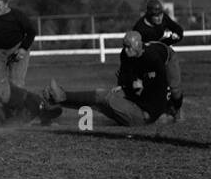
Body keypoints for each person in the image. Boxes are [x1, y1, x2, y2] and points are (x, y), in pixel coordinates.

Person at [42, 33, 172, 127]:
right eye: (124, 46)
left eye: (128, 47)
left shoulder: (152, 60)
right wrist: (125, 86)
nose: (125, 51)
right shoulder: (128, 58)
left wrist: (138, 85)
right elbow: (129, 80)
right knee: (98, 102)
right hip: (136, 107)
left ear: (138, 45)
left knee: (104, 96)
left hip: (142, 115)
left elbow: (156, 87)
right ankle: (57, 100)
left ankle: (62, 96)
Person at [133, 0, 184, 115]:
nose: (160, 18)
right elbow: (135, 53)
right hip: (149, 60)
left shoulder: (163, 18)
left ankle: (177, 109)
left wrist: (174, 38)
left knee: (175, 89)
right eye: (156, 16)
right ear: (148, 16)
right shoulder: (140, 29)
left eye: (161, 14)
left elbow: (178, 30)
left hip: (167, 55)